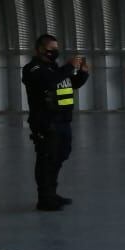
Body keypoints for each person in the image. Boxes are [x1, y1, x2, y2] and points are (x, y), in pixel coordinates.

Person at [21, 34, 90, 210]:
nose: (55, 52)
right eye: (51, 49)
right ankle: (44, 198)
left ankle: (52, 193)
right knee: (47, 159)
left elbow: (69, 83)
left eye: (56, 48)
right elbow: (48, 82)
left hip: (63, 121)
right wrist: (68, 66)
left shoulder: (55, 69)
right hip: (46, 122)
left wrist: (83, 73)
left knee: (60, 155)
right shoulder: (33, 69)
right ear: (40, 50)